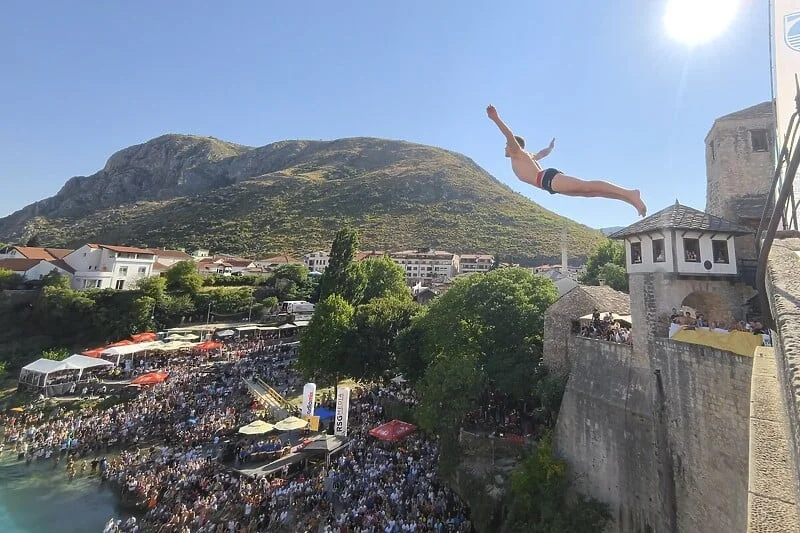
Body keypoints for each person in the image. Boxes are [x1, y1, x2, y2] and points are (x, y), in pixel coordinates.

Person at [486, 104, 647, 217]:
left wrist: (495, 118)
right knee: (590, 193)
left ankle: (630, 193)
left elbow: (508, 134)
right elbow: (541, 154)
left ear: (514, 146)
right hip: (547, 183)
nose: (505, 148)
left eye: (507, 146)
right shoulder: (526, 156)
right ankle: (629, 199)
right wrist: (550, 148)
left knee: (587, 186)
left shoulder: (517, 152)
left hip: (547, 179)